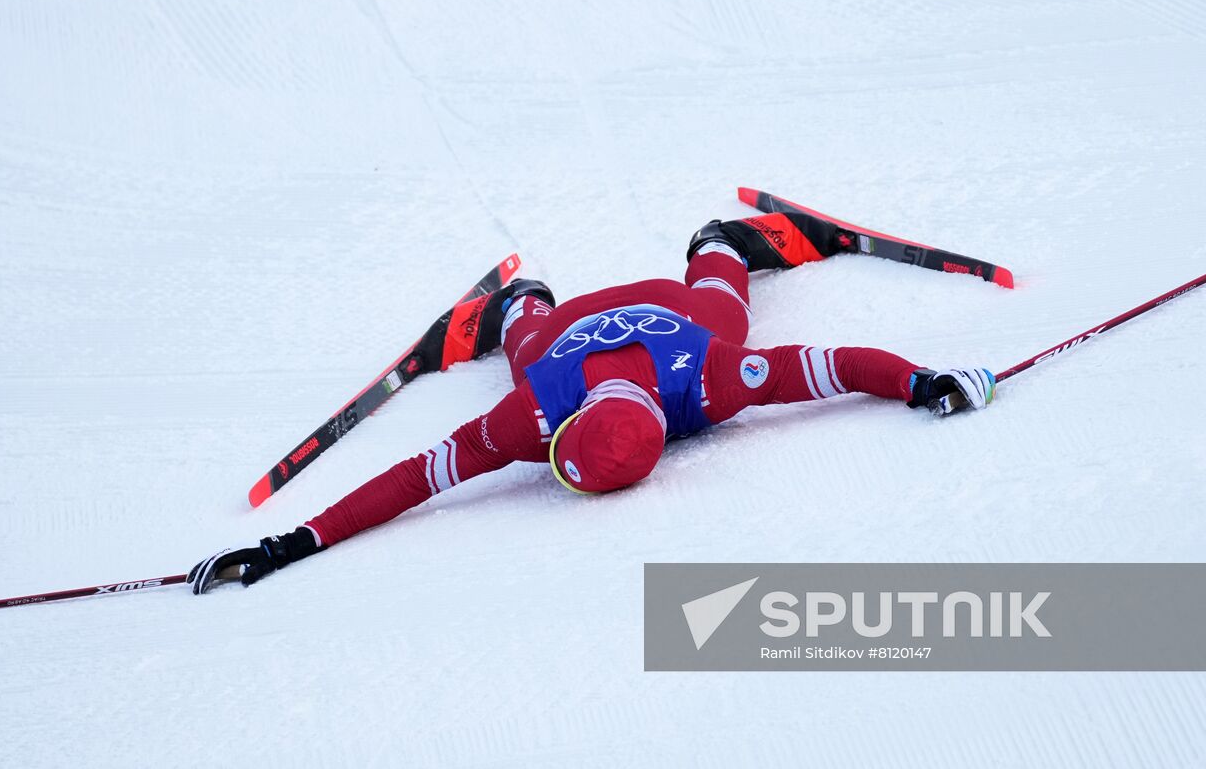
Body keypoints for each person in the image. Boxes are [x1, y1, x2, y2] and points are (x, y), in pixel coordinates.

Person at [188, 215, 996, 593]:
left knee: (605, 335)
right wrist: (291, 542)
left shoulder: (690, 381)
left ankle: (524, 301)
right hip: (626, 322)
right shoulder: (690, 384)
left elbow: (413, 478)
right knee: (713, 316)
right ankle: (714, 244)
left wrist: (922, 382)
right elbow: (837, 363)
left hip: (634, 319)